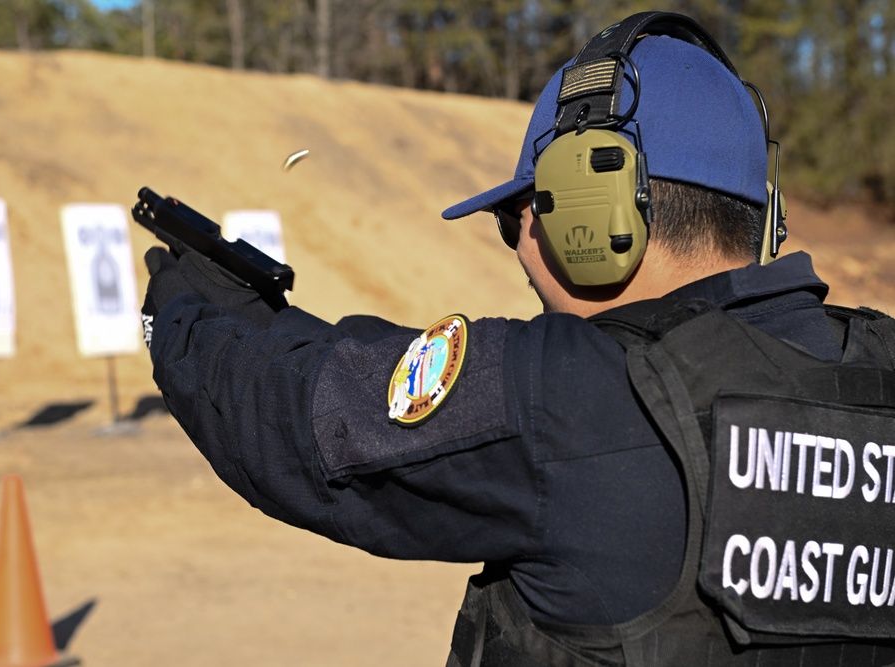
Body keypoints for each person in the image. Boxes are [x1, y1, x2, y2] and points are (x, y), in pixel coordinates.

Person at [141, 11, 895, 666]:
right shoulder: (880, 375)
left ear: (588, 213)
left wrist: (181, 309)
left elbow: (298, 422)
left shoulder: (571, 394)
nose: (522, 253)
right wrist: (268, 310)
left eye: (517, 218)